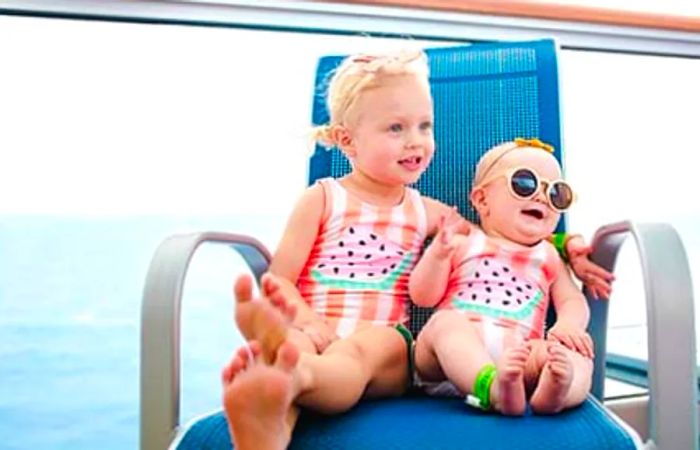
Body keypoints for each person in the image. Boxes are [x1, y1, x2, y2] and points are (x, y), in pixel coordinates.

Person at [221, 50, 612, 450]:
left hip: (387, 345)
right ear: (346, 140)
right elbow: (279, 279)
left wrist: (565, 246)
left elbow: (494, 235)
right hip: (313, 328)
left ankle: (297, 376)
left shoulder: (423, 210)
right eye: (396, 128)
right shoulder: (321, 200)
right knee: (293, 351)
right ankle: (269, 426)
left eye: (425, 126)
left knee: (353, 355)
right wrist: (305, 322)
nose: (416, 141)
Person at [409, 138, 594, 416]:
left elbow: (571, 300)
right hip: (448, 360)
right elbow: (423, 297)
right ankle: (489, 387)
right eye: (525, 184)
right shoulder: (463, 242)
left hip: (520, 360)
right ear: (482, 200)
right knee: (444, 324)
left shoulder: (549, 255)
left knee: (577, 356)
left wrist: (569, 326)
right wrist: (437, 255)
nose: (542, 197)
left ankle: (556, 393)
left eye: (557, 194)